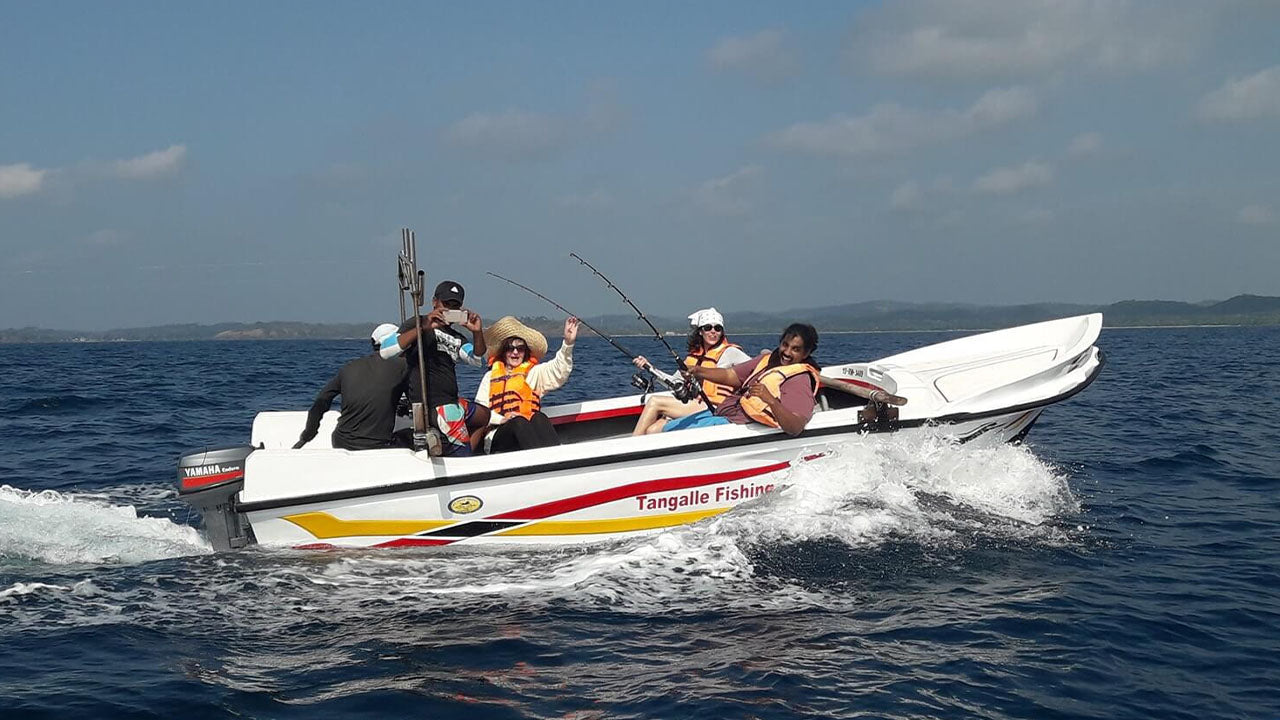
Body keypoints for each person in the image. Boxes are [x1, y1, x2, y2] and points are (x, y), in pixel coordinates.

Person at [380, 280, 490, 455]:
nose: (450, 309)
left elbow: (477, 359)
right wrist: (423, 327)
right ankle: (461, 457)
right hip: (435, 405)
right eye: (447, 304)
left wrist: (477, 332)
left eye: (456, 306)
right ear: (435, 302)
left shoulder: (457, 337)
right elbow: (386, 351)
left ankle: (464, 450)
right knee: (462, 454)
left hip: (452, 401)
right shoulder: (418, 323)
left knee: (484, 416)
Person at [664, 323, 821, 437]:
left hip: (738, 427)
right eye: (785, 345)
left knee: (669, 435)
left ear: (806, 353)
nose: (787, 352)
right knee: (668, 428)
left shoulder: (799, 380)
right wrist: (699, 371)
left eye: (795, 349)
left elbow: (795, 427)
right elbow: (731, 375)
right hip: (724, 414)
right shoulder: (767, 360)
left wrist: (771, 401)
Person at [630, 308, 752, 435]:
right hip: (695, 404)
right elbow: (673, 381)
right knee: (652, 430)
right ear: (700, 331)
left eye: (717, 328)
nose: (713, 332)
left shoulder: (732, 353)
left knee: (655, 401)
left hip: (715, 406)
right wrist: (650, 367)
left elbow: (755, 369)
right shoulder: (693, 358)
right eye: (708, 328)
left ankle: (630, 448)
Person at [294, 323, 411, 450]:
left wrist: (308, 434)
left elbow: (321, 402)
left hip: (340, 442)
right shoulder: (404, 367)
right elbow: (418, 400)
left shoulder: (348, 368)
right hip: (376, 446)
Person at [474, 315, 579, 453]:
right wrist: (501, 419)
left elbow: (558, 371)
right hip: (498, 436)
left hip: (527, 433)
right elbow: (479, 413)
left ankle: (556, 460)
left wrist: (568, 343)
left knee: (539, 418)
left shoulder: (533, 373)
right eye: (510, 348)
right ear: (503, 352)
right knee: (518, 422)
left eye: (520, 348)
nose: (515, 352)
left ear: (526, 351)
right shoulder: (489, 377)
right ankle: (542, 463)